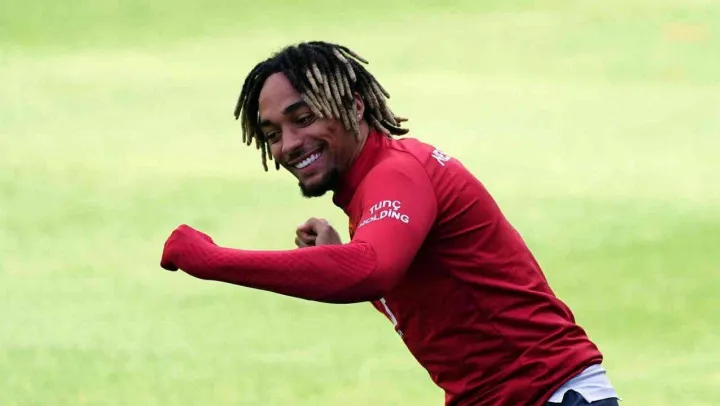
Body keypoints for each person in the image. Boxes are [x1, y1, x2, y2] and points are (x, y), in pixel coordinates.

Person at [159, 41, 620, 406]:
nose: (289, 144)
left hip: (550, 394)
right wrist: (338, 256)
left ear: (356, 106)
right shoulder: (372, 188)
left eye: (304, 118)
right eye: (273, 134)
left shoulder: (397, 173)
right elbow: (418, 288)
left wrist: (211, 260)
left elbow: (370, 270)